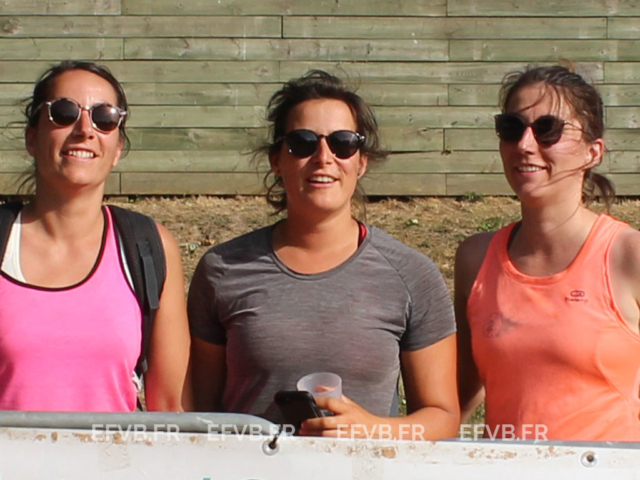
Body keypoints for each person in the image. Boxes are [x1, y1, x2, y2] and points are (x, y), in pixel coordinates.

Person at [188, 70, 459, 440]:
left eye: (343, 143)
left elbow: (443, 416)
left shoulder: (412, 275)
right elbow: (199, 415)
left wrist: (373, 429)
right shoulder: (222, 270)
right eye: (302, 142)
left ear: (361, 162)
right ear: (276, 160)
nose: (323, 157)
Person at [455, 64, 640, 441]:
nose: (525, 145)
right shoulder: (475, 258)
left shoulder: (627, 255)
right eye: (511, 128)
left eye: (548, 129)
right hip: (502, 467)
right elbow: (456, 398)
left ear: (592, 152)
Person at [0, 61, 190, 412]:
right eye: (64, 112)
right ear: (32, 137)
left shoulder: (149, 248)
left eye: (104, 117)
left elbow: (170, 409)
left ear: (117, 148)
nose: (85, 129)